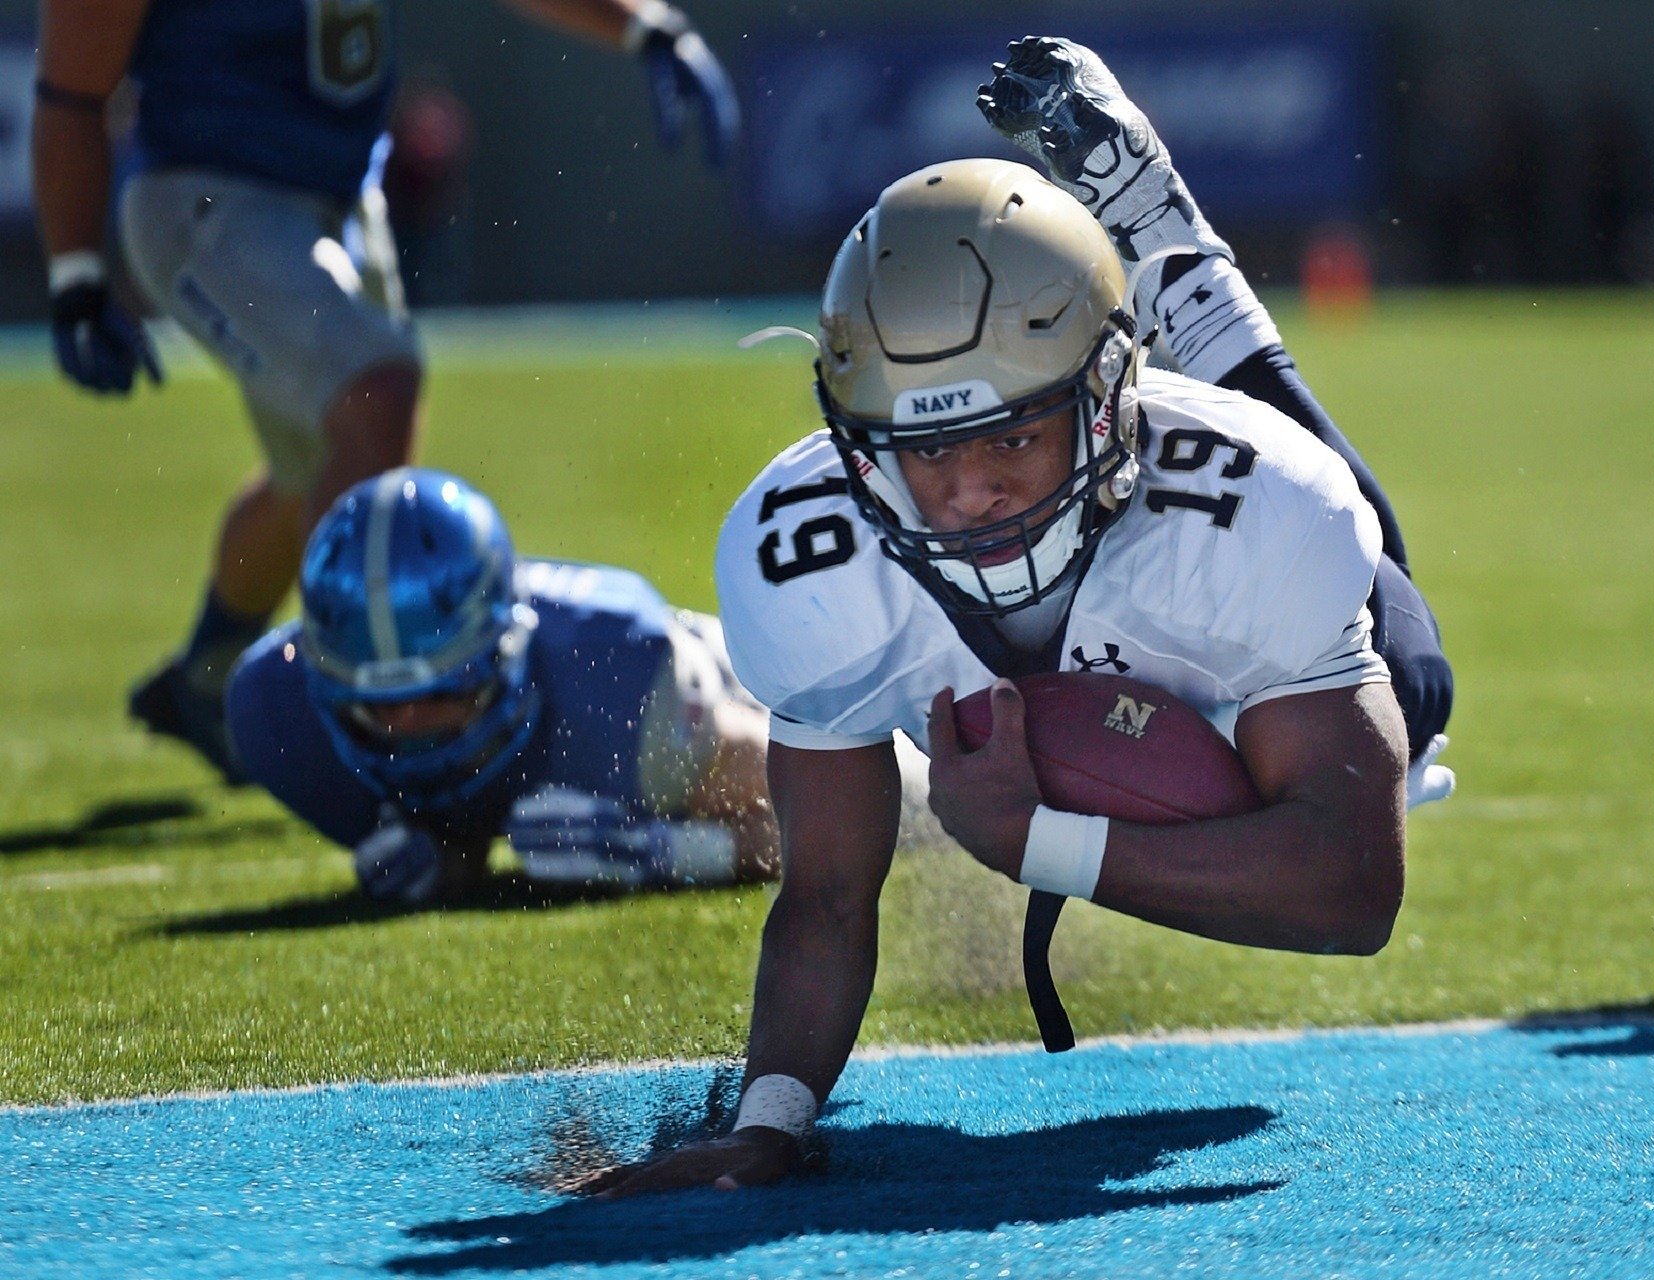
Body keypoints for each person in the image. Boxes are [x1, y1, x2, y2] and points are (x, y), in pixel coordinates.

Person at [567, 36, 1457, 1194]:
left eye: (1012, 436)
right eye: (925, 447)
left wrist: (1040, 841)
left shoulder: (1258, 513)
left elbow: (1352, 888)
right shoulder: (807, 559)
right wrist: (769, 1121)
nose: (969, 488)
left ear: (1102, 401)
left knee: (1409, 658)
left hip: (1213, 520)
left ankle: (1173, 254)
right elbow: (826, 890)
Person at [32, 0, 741, 785]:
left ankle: (207, 675)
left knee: (315, 470)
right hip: (208, 195)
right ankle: (349, 744)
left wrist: (643, 23)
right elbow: (71, 88)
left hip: (338, 201)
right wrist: (75, 274)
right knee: (375, 396)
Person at [226, 468, 782, 903]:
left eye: (443, 693)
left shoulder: (622, 678)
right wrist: (450, 855)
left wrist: (665, 851)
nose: (411, 729)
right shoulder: (274, 705)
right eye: (379, 709)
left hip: (744, 676)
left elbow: (805, 818)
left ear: (505, 652)